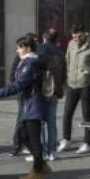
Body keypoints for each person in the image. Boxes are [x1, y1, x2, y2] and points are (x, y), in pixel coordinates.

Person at [0, 34, 52, 179]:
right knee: (24, 136)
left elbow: (20, 84)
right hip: (28, 104)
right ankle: (42, 166)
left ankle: (38, 171)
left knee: (33, 140)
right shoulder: (27, 62)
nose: (17, 50)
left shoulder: (30, 63)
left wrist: (0, 92)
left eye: (19, 47)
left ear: (27, 48)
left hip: (33, 105)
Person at [60, 23, 90, 154]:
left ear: (84, 32)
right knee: (67, 113)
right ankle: (66, 139)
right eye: (74, 37)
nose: (76, 39)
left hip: (86, 84)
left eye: (79, 36)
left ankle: (87, 143)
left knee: (86, 115)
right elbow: (67, 59)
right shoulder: (71, 44)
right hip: (72, 84)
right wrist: (66, 76)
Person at [35, 30, 66, 163]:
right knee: (52, 122)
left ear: (43, 37)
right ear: (56, 40)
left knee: (40, 122)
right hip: (54, 90)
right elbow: (64, 74)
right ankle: (52, 151)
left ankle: (42, 151)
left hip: (41, 89)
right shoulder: (60, 53)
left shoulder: (39, 49)